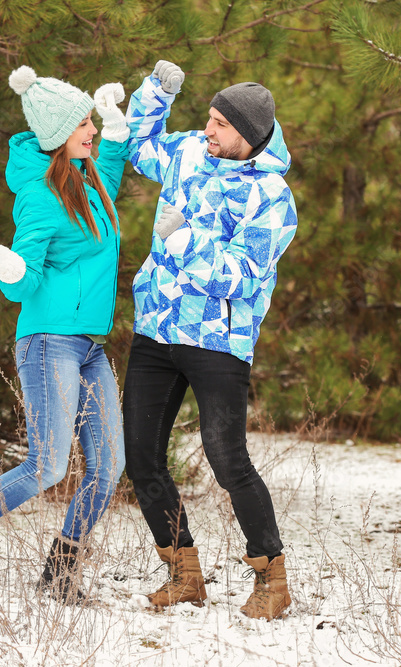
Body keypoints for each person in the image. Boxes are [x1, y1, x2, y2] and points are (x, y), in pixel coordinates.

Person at [0, 65, 131, 604]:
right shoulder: (39, 196)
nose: (92, 131)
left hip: (88, 346)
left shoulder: (87, 178)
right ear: (59, 135)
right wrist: (9, 266)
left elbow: (111, 160)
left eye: (90, 120)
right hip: (48, 342)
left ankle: (60, 575)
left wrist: (117, 121)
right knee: (49, 464)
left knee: (107, 467)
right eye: (83, 123)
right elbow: (25, 282)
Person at [121, 61, 298, 620]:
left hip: (218, 340)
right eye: (208, 117)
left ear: (248, 136)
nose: (207, 130)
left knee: (227, 459)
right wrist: (157, 92)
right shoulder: (191, 154)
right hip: (157, 328)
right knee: (142, 455)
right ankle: (184, 574)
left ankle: (271, 577)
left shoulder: (272, 197)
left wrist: (184, 241)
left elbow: (244, 274)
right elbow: (139, 145)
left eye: (220, 124)